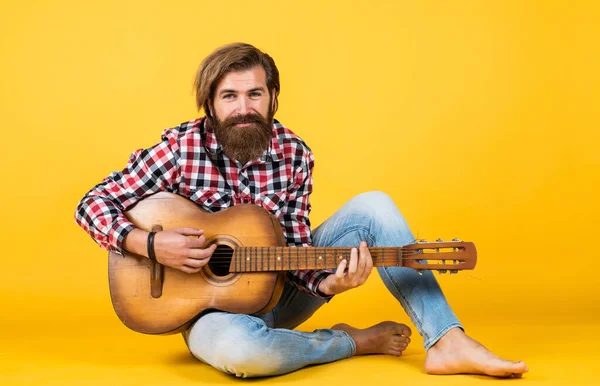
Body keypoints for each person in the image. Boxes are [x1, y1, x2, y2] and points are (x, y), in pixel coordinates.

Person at [75, 42, 528, 378]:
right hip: (208, 313)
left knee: (375, 205)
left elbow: (295, 245)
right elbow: (92, 203)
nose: (243, 108)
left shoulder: (294, 153)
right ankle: (350, 342)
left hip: (279, 293)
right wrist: (150, 244)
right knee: (244, 355)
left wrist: (330, 283)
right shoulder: (180, 147)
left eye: (255, 94)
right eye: (229, 96)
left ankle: (447, 340)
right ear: (210, 105)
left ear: (273, 97)